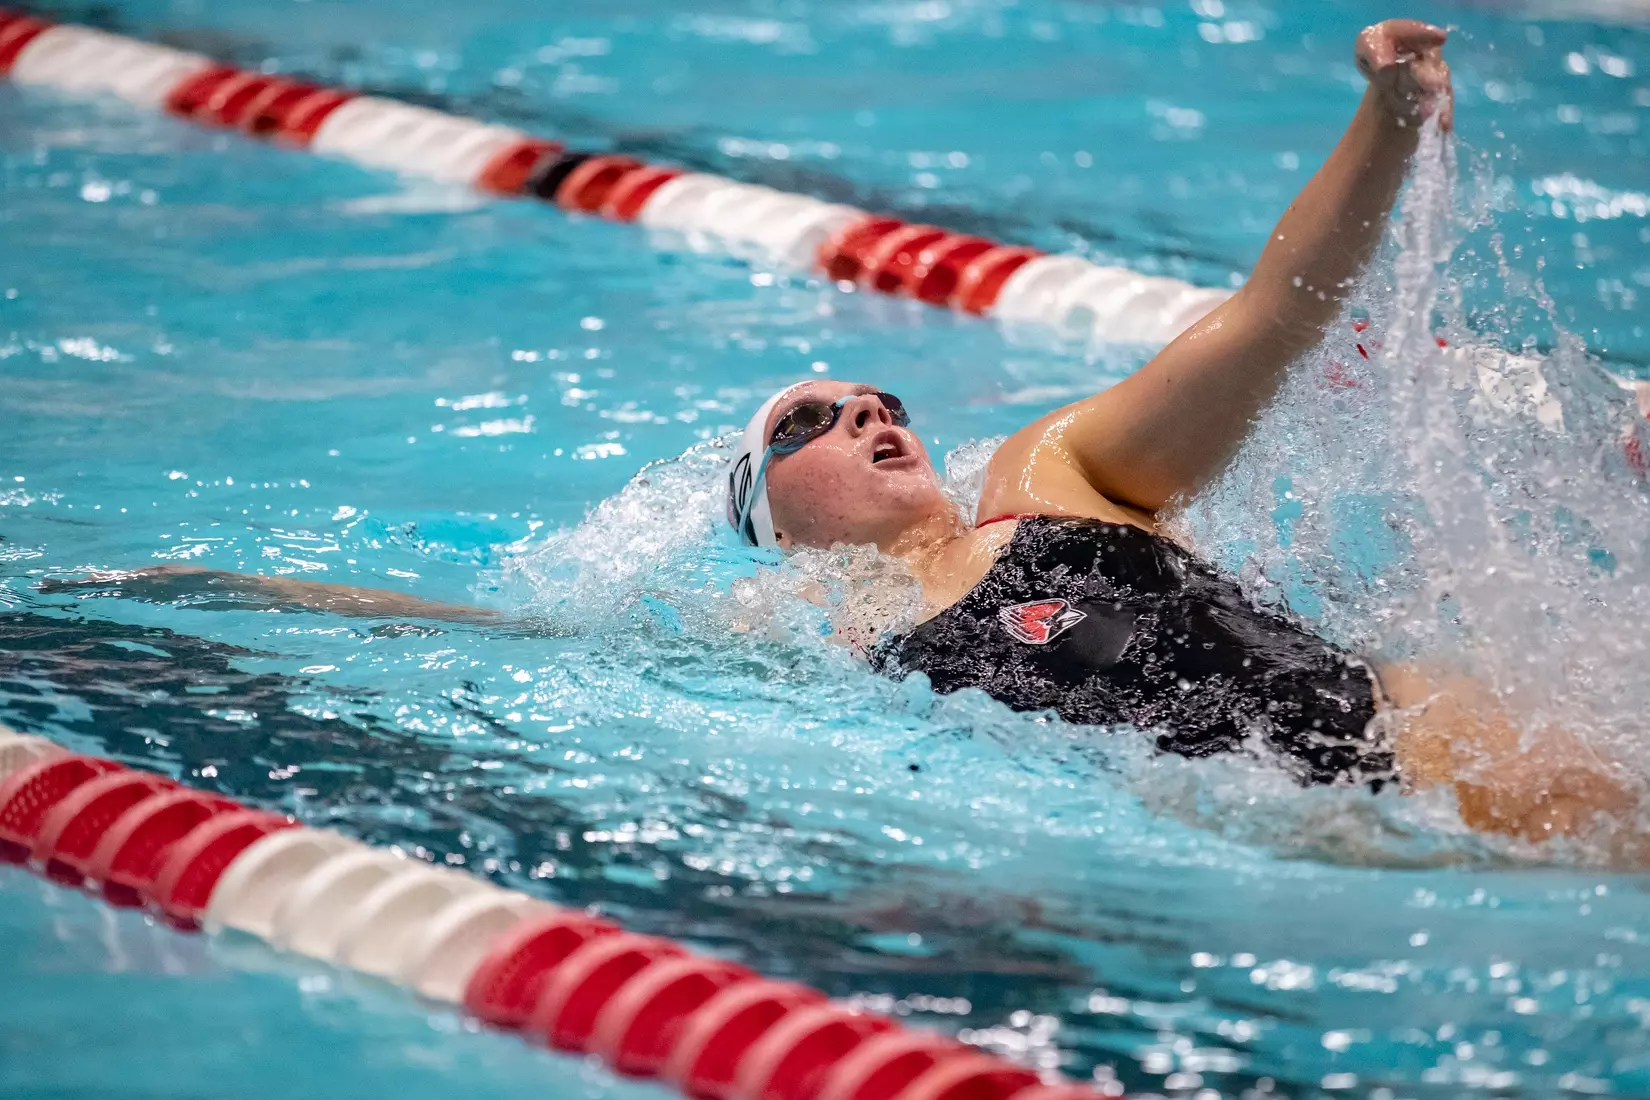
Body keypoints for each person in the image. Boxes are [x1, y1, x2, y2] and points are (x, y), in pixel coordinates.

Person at [45, 21, 1640, 847]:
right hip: (1358, 853)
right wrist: (236, 599)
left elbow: (1265, 318)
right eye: (815, 417)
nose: (873, 408)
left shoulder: (1050, 483)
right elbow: (507, 645)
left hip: (1447, 747)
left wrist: (1383, 123)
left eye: (880, 399)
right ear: (765, 505)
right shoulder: (796, 635)